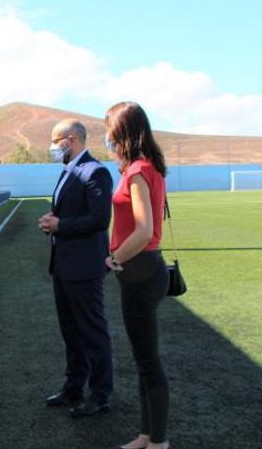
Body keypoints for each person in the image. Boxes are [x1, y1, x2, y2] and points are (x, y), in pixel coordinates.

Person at [103, 102, 171, 449]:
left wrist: (113, 258)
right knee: (145, 359)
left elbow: (144, 231)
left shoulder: (137, 172)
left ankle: (158, 442)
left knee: (148, 360)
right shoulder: (146, 167)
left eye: (110, 129)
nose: (107, 137)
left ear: (123, 132)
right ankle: (148, 435)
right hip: (145, 271)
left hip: (140, 272)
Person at [38, 119, 114, 418]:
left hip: (84, 267)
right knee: (70, 331)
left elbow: (99, 219)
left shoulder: (96, 172)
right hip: (64, 265)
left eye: (56, 140)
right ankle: (73, 386)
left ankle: (100, 394)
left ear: (71, 139)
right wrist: (52, 221)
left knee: (92, 332)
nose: (53, 147)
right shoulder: (69, 171)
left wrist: (61, 225)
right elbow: (70, 213)